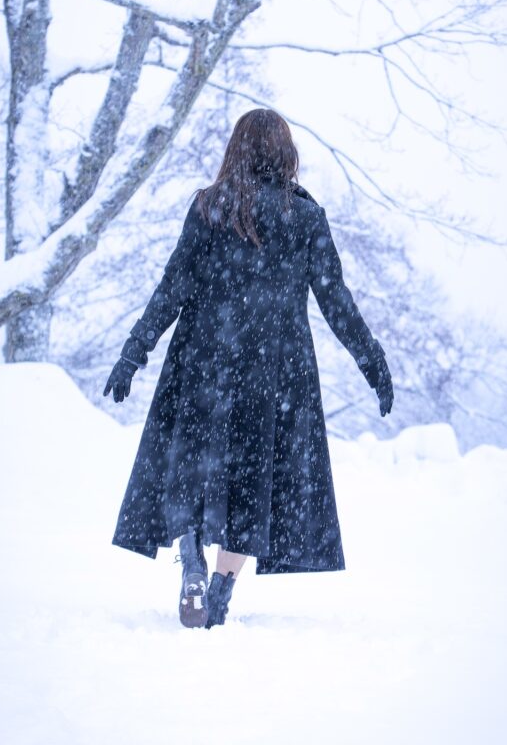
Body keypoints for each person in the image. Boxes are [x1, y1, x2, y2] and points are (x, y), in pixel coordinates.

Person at [104, 108, 393, 629]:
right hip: (272, 374)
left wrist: (134, 352)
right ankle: (219, 589)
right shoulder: (306, 218)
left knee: (193, 469)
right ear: (286, 154)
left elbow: (172, 287)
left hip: (204, 364)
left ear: (235, 151)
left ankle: (191, 562)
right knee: (250, 485)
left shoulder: (208, 207)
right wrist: (373, 361)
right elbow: (337, 302)